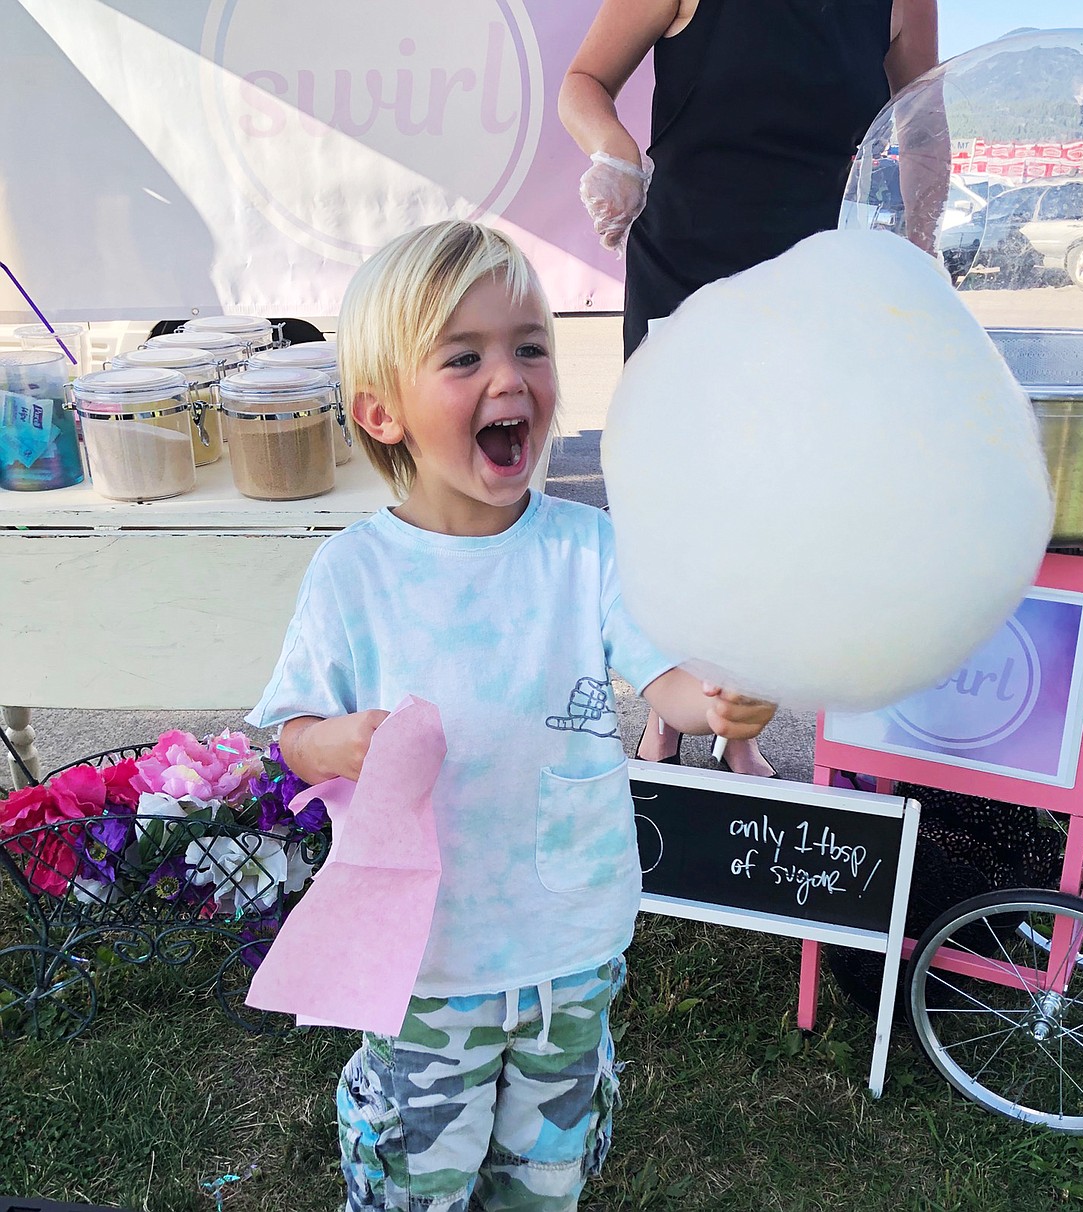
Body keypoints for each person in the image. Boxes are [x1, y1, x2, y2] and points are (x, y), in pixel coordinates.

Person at [245, 220, 775, 1212]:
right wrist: (338, 743)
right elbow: (289, 733)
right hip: (429, 960)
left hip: (570, 944)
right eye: (465, 357)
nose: (512, 376)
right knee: (427, 1174)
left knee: (546, 1171)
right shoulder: (356, 573)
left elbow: (660, 674)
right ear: (383, 411)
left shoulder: (587, 547)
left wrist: (716, 700)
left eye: (530, 346)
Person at [559, 0, 941, 778]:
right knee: (677, 508)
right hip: (683, 273)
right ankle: (668, 704)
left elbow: (924, 124)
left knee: (778, 514)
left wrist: (922, 240)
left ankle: (739, 724)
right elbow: (584, 80)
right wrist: (616, 152)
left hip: (813, 284)